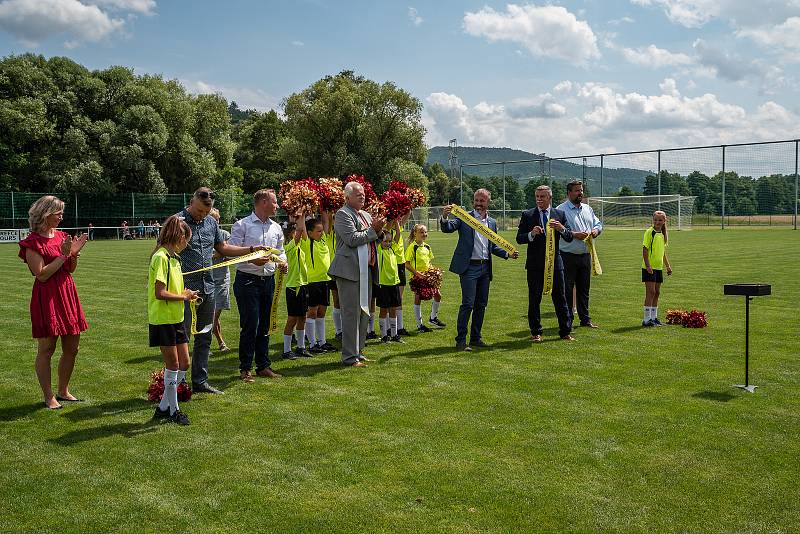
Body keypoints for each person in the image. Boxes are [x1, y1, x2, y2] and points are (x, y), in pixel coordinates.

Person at [177, 187, 269, 393]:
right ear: (192, 201)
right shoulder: (177, 221)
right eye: (199, 211)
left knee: (205, 336)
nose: (202, 216)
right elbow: (164, 251)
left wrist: (251, 250)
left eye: (206, 212)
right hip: (182, 290)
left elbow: (224, 248)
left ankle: (200, 382)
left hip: (208, 288)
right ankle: (178, 384)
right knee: (182, 337)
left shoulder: (211, 222)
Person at [18, 195, 88, 409]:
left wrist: (73, 255)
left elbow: (70, 269)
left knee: (72, 347)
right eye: (58, 212)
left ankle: (64, 390)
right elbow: (41, 275)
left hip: (67, 293)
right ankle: (49, 396)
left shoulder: (62, 237)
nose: (61, 216)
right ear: (45, 213)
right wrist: (63, 256)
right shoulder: (32, 242)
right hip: (47, 296)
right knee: (47, 348)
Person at [440, 189, 517, 351]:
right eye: (476, 200)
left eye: (482, 201)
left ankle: (475, 338)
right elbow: (448, 228)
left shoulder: (492, 223)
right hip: (468, 267)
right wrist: (445, 217)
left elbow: (493, 247)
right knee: (467, 304)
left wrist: (507, 254)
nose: (478, 204)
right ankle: (461, 340)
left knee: (481, 305)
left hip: (485, 268)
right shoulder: (464, 217)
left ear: (488, 202)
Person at [229, 189, 287, 382]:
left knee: (265, 324)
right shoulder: (242, 225)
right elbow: (231, 252)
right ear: (263, 202)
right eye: (274, 202)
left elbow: (281, 252)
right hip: (247, 281)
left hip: (267, 282)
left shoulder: (276, 228)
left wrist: (282, 262)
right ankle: (245, 368)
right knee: (250, 324)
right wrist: (252, 261)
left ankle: (263, 365)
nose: (277, 206)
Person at [328, 181, 386, 367]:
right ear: (347, 198)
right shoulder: (343, 214)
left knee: (364, 313)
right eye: (358, 194)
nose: (363, 196)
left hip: (366, 270)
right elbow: (352, 239)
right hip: (349, 272)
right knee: (351, 313)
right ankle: (349, 357)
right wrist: (374, 230)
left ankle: (358, 352)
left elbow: (372, 238)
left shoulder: (366, 215)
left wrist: (381, 231)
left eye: (363, 194)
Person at [148, 215, 197, 425]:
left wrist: (186, 293)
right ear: (179, 236)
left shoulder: (175, 259)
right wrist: (182, 297)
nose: (187, 244)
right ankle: (173, 411)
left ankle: (162, 407)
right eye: (187, 239)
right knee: (173, 364)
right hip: (163, 319)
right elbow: (160, 293)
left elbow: (172, 290)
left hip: (176, 318)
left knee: (185, 362)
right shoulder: (161, 257)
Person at [516, 185, 575, 342]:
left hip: (555, 264)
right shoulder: (528, 215)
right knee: (534, 299)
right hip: (535, 266)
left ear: (550, 198)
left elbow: (569, 236)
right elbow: (519, 238)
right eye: (537, 197)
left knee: (561, 299)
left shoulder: (559, 214)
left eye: (542, 197)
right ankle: (536, 332)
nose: (539, 199)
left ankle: (565, 332)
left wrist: (561, 228)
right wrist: (531, 234)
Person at [556, 180, 602, 329]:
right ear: (569, 193)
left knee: (584, 289)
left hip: (585, 255)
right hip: (567, 256)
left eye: (581, 190)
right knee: (567, 290)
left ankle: (585, 319)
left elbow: (598, 224)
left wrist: (596, 231)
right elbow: (559, 230)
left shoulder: (588, 209)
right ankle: (568, 321)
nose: (580, 193)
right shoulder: (560, 210)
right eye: (576, 190)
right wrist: (575, 235)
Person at [302, 213, 336, 353]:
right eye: (318, 231)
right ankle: (312, 343)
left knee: (322, 312)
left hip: (325, 281)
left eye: (322, 230)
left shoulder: (324, 240)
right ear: (309, 233)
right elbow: (301, 227)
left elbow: (327, 221)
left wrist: (326, 209)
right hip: (312, 283)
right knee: (312, 312)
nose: (322, 233)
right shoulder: (306, 242)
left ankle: (322, 342)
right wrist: (302, 213)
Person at [282, 214, 313, 360]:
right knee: (292, 319)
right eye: (295, 233)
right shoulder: (289, 246)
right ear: (290, 234)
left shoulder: (301, 246)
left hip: (303, 285)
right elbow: (301, 230)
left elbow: (303, 232)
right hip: (294, 287)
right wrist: (301, 214)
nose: (298, 235)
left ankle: (301, 347)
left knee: (303, 317)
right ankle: (287, 350)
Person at [405, 224, 445, 332]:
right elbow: (407, 264)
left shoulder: (427, 247)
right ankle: (420, 324)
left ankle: (433, 318)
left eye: (425, 232)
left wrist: (434, 272)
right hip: (417, 277)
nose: (424, 234)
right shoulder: (412, 247)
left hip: (427, 276)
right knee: (418, 298)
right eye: (421, 232)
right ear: (415, 233)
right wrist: (416, 273)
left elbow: (429, 262)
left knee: (438, 295)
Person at [642, 210, 672, 327]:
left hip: (658, 268)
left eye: (660, 220)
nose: (657, 222)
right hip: (649, 267)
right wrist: (648, 265)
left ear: (664, 221)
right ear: (652, 220)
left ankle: (654, 318)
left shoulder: (663, 234)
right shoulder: (650, 232)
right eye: (655, 220)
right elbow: (645, 250)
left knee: (657, 292)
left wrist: (668, 266)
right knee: (651, 292)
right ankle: (646, 319)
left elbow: (663, 253)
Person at [376, 220, 404, 343]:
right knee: (383, 310)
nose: (387, 243)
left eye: (389, 241)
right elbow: (379, 235)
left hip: (394, 284)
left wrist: (397, 221)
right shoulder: (379, 251)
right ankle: (384, 335)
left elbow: (398, 235)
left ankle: (394, 334)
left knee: (393, 309)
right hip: (383, 285)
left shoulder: (392, 249)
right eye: (385, 241)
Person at [209, 209, 231, 353]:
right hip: (206, 280)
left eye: (216, 219)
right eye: (212, 219)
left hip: (222, 279)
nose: (215, 222)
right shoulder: (203, 235)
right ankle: (219, 342)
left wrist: (215, 254)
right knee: (210, 314)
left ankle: (213, 342)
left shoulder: (224, 235)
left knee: (214, 314)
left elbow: (227, 252)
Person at [393, 214, 410, 336]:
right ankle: (391, 327)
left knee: (400, 297)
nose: (399, 218)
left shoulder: (399, 226)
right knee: (392, 297)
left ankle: (400, 326)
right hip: (391, 265)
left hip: (401, 264)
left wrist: (409, 202)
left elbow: (407, 214)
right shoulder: (388, 229)